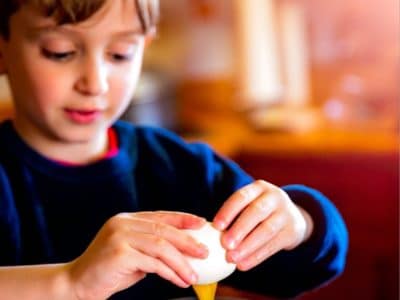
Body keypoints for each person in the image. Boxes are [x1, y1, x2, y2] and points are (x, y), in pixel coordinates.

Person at [0, 0, 348, 299]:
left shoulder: (181, 168)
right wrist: (70, 284)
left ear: (144, 47)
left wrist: (298, 224)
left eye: (120, 54)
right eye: (60, 52)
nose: (95, 82)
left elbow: (301, 269)